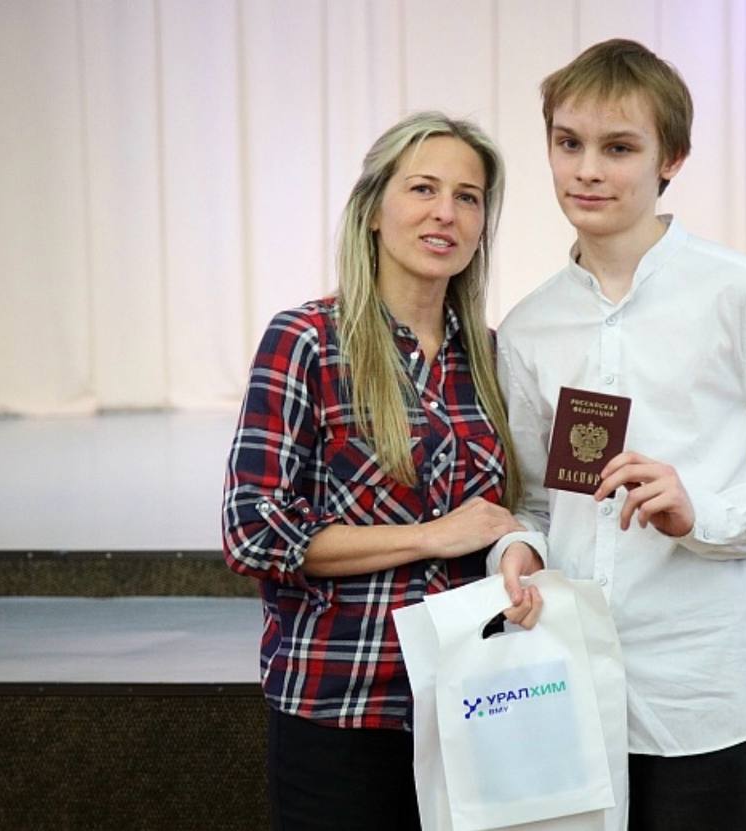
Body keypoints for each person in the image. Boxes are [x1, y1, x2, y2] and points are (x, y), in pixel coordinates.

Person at [492, 39, 746, 830]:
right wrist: (516, 548)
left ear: (673, 159)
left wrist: (704, 514)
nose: (587, 169)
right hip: (571, 695)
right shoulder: (527, 328)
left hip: (703, 697)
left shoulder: (742, 295)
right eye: (568, 143)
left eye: (619, 148)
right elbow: (535, 503)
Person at [223, 111, 539, 831]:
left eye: (467, 197)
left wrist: (516, 547)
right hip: (342, 707)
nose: (445, 212)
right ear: (372, 210)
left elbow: (506, 514)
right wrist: (429, 536)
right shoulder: (306, 341)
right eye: (423, 188)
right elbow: (254, 533)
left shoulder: (493, 356)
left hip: (472, 706)